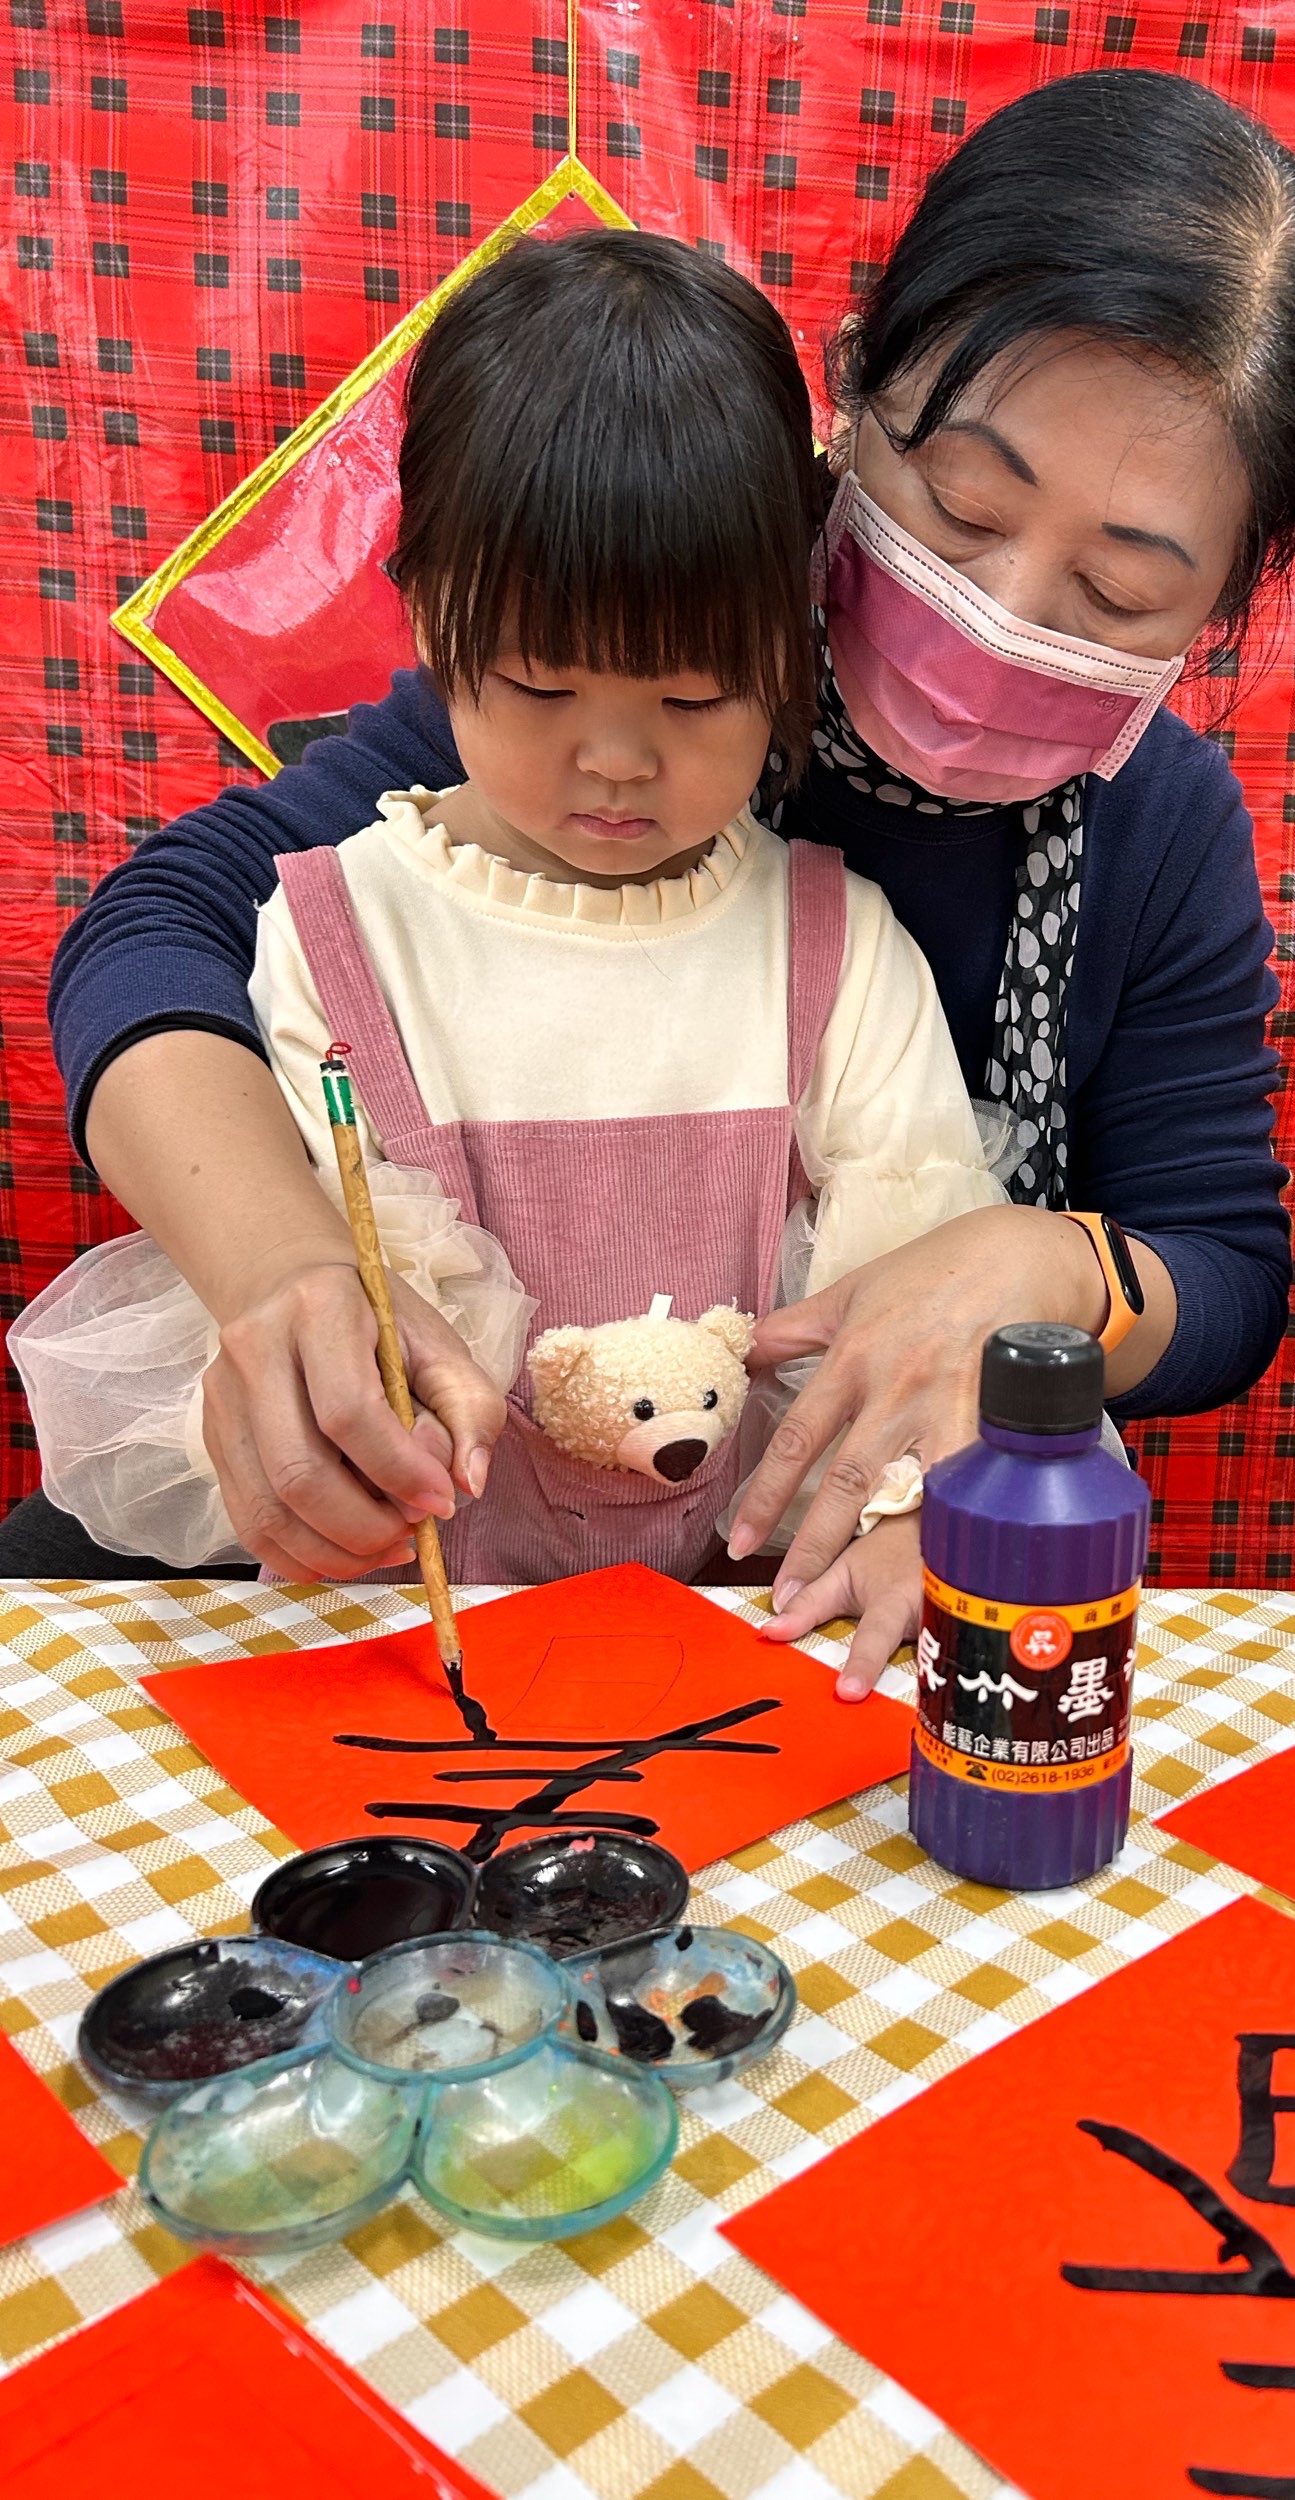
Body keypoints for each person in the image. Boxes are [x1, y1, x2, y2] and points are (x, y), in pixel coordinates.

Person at [38, 70, 1295, 1685]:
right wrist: (282, 1272)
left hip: (788, 1583)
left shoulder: (1152, 828)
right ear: (852, 392)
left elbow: (1223, 1275)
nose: (1002, 611)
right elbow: (162, 929)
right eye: (961, 506)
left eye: (1117, 591)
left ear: (1229, 595)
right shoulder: (640, 640)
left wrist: (1042, 1267)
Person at [11, 230, 1000, 1607]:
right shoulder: (337, 931)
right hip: (414, 1606)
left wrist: (902, 1508)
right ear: (429, 618)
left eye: (697, 698)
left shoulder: (837, 948)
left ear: (796, 639)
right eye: (541, 688)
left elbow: (911, 1296)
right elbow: (339, 1320)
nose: (617, 760)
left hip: (731, 1617)